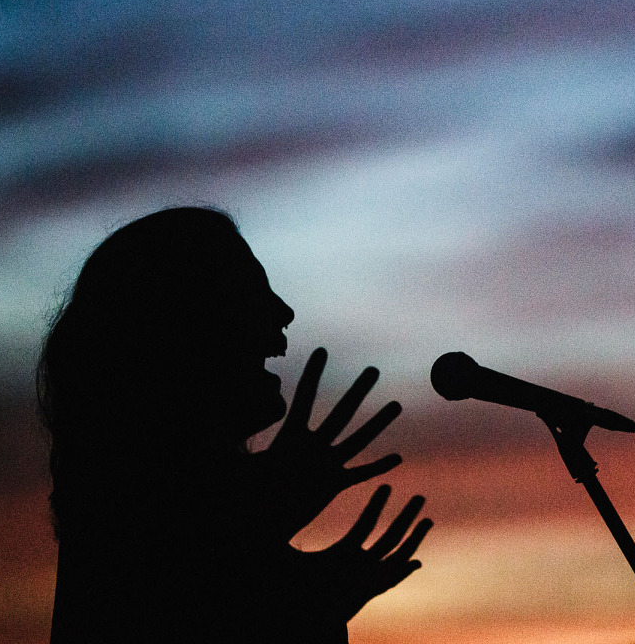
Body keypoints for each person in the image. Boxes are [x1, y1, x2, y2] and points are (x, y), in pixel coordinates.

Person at [38, 206, 431, 643]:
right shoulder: (125, 524)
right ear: (180, 326)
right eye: (248, 292)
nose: (284, 312)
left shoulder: (124, 518)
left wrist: (308, 596)